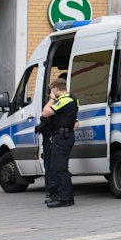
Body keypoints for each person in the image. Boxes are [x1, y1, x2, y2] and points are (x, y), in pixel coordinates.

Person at [38, 73, 78, 207]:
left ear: (55, 88)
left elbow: (45, 112)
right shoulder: (72, 98)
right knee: (58, 167)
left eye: (52, 90)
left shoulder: (66, 99)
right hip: (64, 136)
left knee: (59, 168)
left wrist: (51, 99)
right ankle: (64, 196)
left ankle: (64, 198)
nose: (51, 92)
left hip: (62, 137)